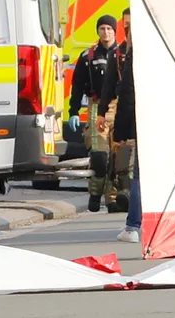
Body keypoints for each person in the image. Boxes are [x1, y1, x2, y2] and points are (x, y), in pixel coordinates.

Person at [98, 7, 140, 243]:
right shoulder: (118, 54)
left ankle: (134, 224)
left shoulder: (134, 51)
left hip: (139, 114)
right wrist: (103, 113)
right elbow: (109, 86)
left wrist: (123, 128)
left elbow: (129, 91)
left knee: (141, 175)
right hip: (134, 113)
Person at [68, 15, 118, 212]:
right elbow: (77, 85)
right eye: (102, 28)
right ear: (97, 31)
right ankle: (95, 194)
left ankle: (112, 199)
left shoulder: (123, 54)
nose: (106, 32)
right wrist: (73, 111)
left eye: (109, 29)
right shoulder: (87, 56)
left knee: (118, 157)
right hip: (97, 106)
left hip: (118, 107)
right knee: (99, 157)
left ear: (115, 31)